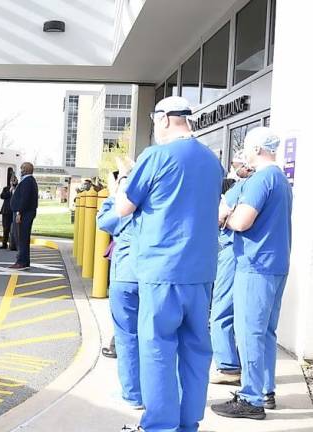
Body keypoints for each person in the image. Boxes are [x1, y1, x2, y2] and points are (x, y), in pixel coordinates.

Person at [115, 96, 223, 432]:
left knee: (157, 348)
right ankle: (188, 423)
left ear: (163, 119)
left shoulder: (156, 155)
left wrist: (121, 180)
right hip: (201, 270)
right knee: (196, 349)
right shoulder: (211, 160)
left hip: (163, 269)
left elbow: (123, 208)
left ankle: (160, 425)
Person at [212, 127, 293, 420]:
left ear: (257, 149)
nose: (243, 153)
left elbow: (243, 221)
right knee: (265, 333)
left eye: (246, 148)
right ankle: (265, 390)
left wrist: (226, 219)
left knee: (249, 333)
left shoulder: (261, 179)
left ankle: (251, 399)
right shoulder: (280, 179)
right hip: (274, 264)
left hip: (255, 264)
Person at [97, 169, 142, 410]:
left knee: (127, 336)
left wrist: (115, 193)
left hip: (126, 276)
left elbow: (105, 221)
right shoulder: (156, 198)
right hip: (154, 275)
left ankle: (133, 394)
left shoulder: (124, 201)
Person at [210, 151, 254, 386]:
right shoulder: (272, 184)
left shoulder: (239, 189)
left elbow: (221, 217)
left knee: (222, 309)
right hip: (253, 258)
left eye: (238, 163)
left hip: (231, 251)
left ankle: (228, 367)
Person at [9, 162, 39, 269]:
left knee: (22, 238)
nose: (20, 170)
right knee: (22, 237)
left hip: (25, 214)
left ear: (25, 170)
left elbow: (24, 199)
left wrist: (19, 212)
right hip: (27, 213)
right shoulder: (28, 181)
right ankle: (24, 261)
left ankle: (21, 262)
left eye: (21, 168)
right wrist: (15, 186)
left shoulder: (27, 181)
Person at [0, 174, 17, 250]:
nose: (12, 182)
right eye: (11, 181)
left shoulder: (18, 189)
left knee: (13, 229)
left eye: (14, 181)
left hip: (14, 211)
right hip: (6, 211)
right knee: (6, 228)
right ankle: (4, 243)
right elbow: (2, 196)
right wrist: (10, 191)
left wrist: (15, 189)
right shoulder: (6, 188)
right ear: (9, 182)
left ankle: (13, 245)